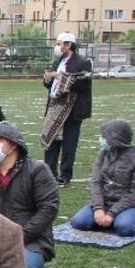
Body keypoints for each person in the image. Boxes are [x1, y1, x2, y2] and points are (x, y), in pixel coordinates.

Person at [0, 121, 59, 268]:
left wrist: (20, 235)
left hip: (33, 240)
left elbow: (48, 208)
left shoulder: (37, 170)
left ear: (13, 144)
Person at [69, 119, 135, 237]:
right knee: (78, 222)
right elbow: (95, 182)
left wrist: (112, 213)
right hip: (104, 203)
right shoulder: (103, 154)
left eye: (104, 136)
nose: (101, 139)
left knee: (124, 228)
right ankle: (106, 220)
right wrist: (98, 208)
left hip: (128, 205)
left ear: (116, 138)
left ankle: (119, 219)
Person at [43, 31, 93, 186]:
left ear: (69, 45)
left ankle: (65, 175)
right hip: (55, 107)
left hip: (72, 109)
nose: (57, 47)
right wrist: (48, 80)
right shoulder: (57, 61)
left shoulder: (82, 62)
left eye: (59, 44)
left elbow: (84, 84)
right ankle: (49, 173)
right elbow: (52, 86)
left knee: (69, 144)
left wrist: (62, 78)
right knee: (51, 141)